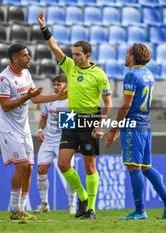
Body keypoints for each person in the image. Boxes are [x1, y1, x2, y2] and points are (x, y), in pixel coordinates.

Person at [37, 11, 113, 220]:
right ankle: (83, 198)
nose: (74, 57)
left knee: (90, 166)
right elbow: (53, 46)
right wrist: (44, 27)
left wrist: (100, 126)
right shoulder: (69, 65)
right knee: (62, 164)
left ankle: (91, 209)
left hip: (90, 119)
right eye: (73, 53)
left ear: (88, 55)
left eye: (78, 54)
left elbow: (108, 104)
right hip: (70, 118)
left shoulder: (99, 75)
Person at [104, 43, 166, 220]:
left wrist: (114, 128)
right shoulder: (149, 74)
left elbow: (126, 105)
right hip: (146, 125)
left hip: (134, 126)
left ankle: (139, 211)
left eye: (127, 52)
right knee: (146, 167)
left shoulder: (131, 75)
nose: (124, 54)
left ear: (132, 57)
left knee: (134, 168)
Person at [0, 43, 67, 221]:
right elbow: (5, 106)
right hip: (9, 129)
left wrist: (57, 97)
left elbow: (35, 96)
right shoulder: (4, 79)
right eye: (25, 55)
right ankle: (14, 209)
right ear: (15, 58)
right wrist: (25, 97)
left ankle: (21, 208)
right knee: (21, 166)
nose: (30, 58)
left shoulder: (26, 74)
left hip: (24, 128)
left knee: (28, 167)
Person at [34, 75, 76, 215]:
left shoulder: (72, 100)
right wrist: (40, 130)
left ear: (66, 85)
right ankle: (44, 203)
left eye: (59, 84)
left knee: (68, 172)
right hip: (48, 140)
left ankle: (72, 204)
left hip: (64, 140)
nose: (56, 86)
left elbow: (74, 123)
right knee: (41, 170)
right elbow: (44, 118)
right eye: (55, 84)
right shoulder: (49, 99)